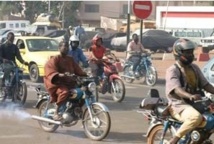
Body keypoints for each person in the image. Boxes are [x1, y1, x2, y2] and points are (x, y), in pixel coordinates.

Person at [165, 38, 214, 144]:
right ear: (178, 53)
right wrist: (189, 96)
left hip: (195, 104)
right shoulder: (172, 70)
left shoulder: (194, 68)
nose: (190, 55)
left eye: (191, 52)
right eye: (187, 52)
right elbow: (176, 90)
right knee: (195, 117)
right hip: (178, 105)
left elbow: (206, 85)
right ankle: (174, 140)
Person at [43, 41, 87, 121]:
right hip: (58, 83)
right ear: (59, 48)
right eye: (64, 46)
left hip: (70, 83)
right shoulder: (55, 59)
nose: (66, 48)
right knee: (65, 92)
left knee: (82, 92)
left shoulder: (70, 59)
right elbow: (49, 69)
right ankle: (56, 112)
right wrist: (60, 75)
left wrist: (86, 74)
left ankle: (76, 109)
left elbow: (78, 69)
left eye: (67, 46)